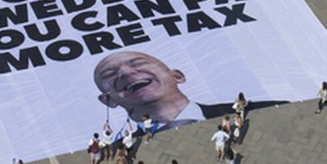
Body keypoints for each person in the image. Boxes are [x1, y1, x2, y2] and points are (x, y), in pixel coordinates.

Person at [92, 50, 286, 130]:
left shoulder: (271, 109)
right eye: (110, 74)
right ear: (108, 100)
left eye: (137, 63)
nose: (126, 73)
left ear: (177, 76)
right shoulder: (118, 148)